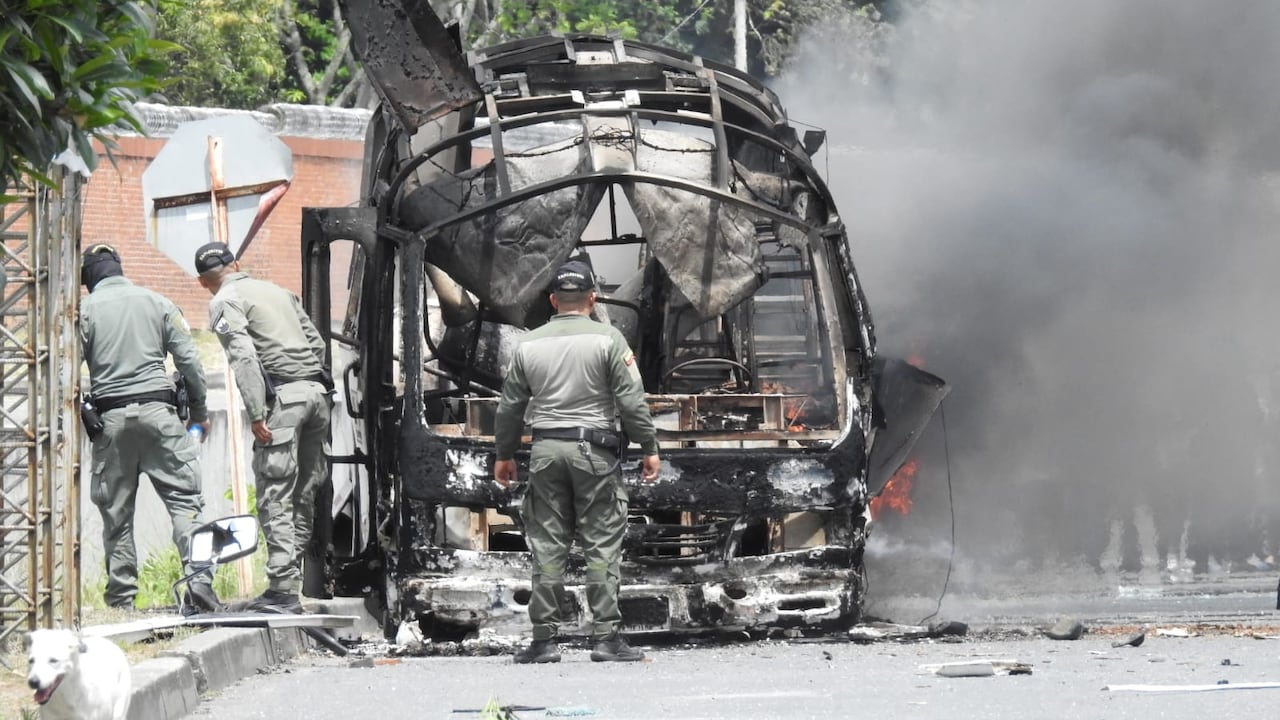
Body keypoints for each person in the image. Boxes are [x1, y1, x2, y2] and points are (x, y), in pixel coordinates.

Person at [493, 259, 662, 664]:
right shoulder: (609, 340)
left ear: (552, 300)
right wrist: (649, 447)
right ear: (591, 299)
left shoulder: (527, 344)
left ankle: (544, 642)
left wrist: (503, 454)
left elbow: (510, 407)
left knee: (548, 544)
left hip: (546, 450)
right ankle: (605, 639)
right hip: (595, 452)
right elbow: (631, 402)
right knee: (600, 543)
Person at [79, 244, 221, 613]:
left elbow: (63, 370)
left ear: (89, 278)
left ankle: (122, 601)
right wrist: (199, 412)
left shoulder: (85, 310)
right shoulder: (158, 302)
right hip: (161, 416)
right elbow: (189, 361)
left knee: (116, 513)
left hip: (110, 423)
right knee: (185, 503)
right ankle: (199, 581)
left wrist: (79, 408)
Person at [194, 241, 331, 613]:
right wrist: (312, 385)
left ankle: (283, 589)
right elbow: (317, 344)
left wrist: (256, 412)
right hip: (317, 395)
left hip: (283, 401)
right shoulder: (279, 291)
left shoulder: (224, 300)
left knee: (275, 493)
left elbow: (243, 356)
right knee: (303, 492)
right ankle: (290, 581)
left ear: (203, 281)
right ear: (237, 263)